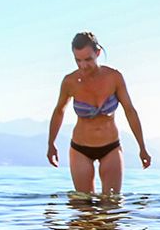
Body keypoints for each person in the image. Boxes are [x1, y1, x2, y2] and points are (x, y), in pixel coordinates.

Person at [48, 32, 151, 194]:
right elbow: (59, 111)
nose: (83, 65)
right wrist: (51, 144)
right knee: (83, 206)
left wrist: (142, 147)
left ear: (98, 53)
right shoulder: (70, 82)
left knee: (111, 203)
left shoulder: (114, 77)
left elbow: (130, 111)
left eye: (88, 59)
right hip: (80, 148)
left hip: (110, 147)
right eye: (78, 60)